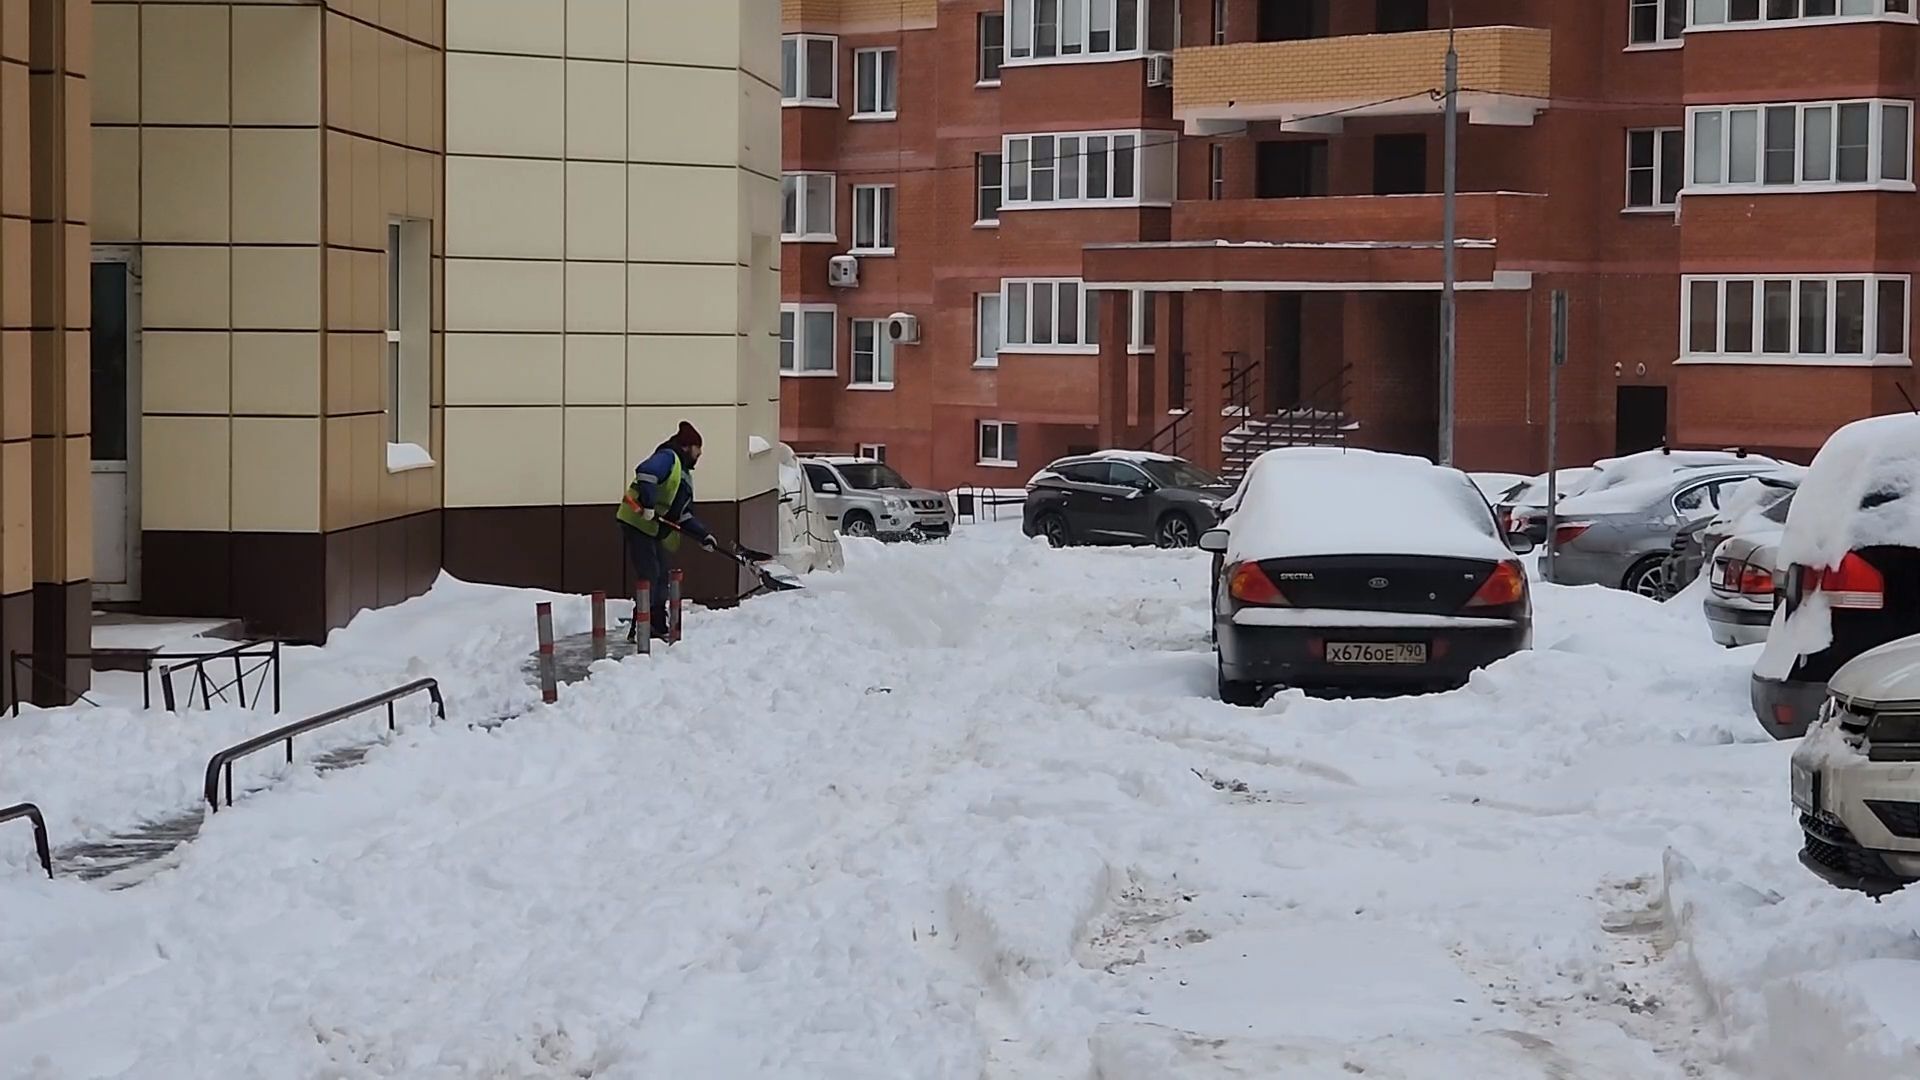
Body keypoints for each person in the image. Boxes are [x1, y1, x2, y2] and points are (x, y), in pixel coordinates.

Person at [617, 421, 717, 641]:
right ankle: (645, 624)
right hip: (636, 521)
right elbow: (645, 473)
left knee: (661, 574)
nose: (700, 453)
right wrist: (649, 506)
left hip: (651, 528)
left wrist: (703, 536)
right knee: (651, 572)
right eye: (697, 447)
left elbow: (683, 515)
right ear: (686, 447)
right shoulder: (667, 457)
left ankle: (656, 623)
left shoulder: (683, 475)